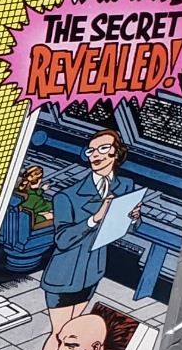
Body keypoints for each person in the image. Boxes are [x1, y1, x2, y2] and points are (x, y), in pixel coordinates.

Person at [44, 131, 141, 336]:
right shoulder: (66, 196)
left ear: (117, 153)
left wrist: (133, 218)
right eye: (91, 151)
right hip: (64, 274)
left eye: (103, 148)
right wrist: (95, 218)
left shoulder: (125, 185)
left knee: (71, 332)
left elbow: (126, 228)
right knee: (59, 333)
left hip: (92, 272)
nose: (95, 154)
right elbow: (62, 240)